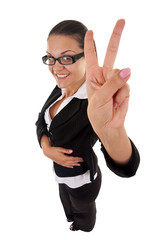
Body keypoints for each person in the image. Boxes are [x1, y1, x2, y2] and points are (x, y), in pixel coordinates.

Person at [35, 19, 140, 232]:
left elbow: (128, 167)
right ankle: (70, 218)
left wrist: (112, 131)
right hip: (60, 171)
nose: (56, 67)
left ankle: (83, 227)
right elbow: (41, 121)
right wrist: (46, 147)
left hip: (83, 177)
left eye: (66, 57)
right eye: (50, 58)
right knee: (65, 197)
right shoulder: (61, 89)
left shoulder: (94, 102)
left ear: (88, 58)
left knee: (83, 208)